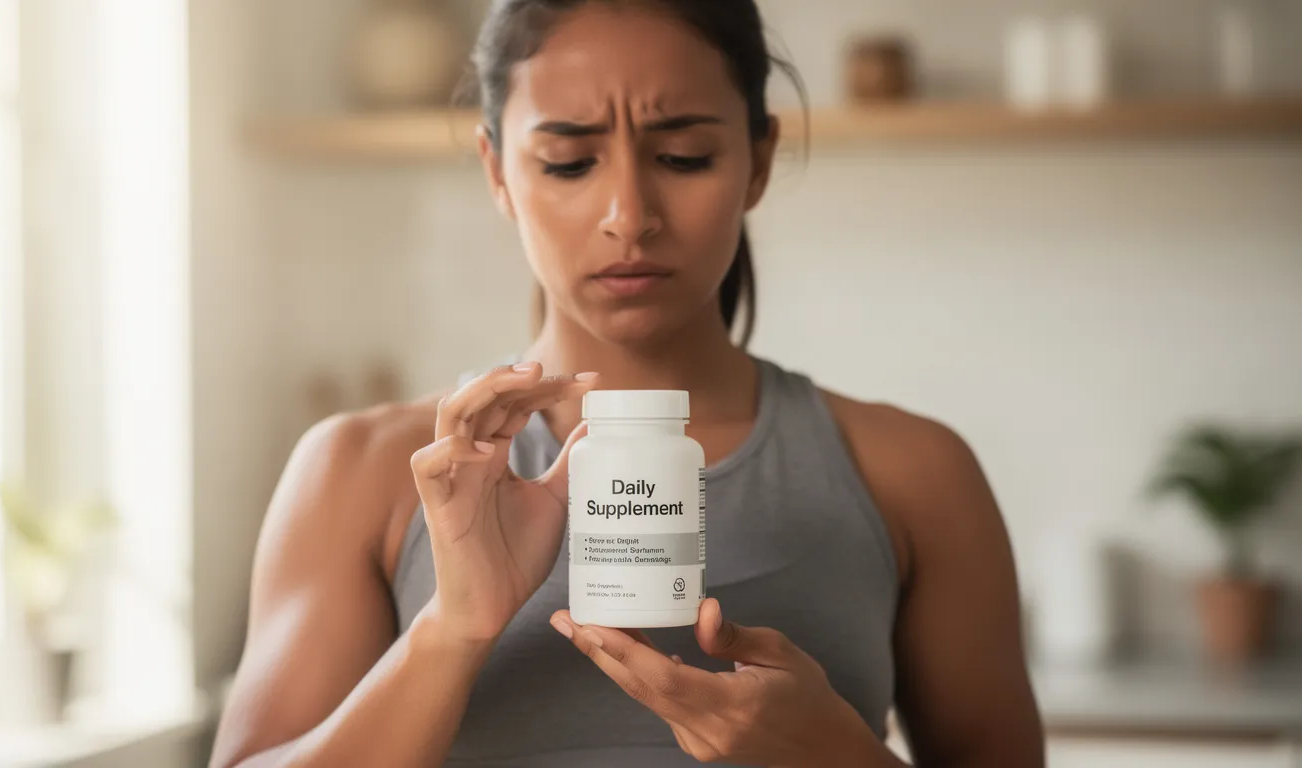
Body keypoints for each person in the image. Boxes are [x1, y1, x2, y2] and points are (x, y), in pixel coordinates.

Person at [209, 1, 1044, 766]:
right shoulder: (361, 473)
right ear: (497, 172)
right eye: (569, 162)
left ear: (758, 159)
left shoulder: (916, 475)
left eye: (683, 156)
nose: (628, 215)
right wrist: (451, 629)